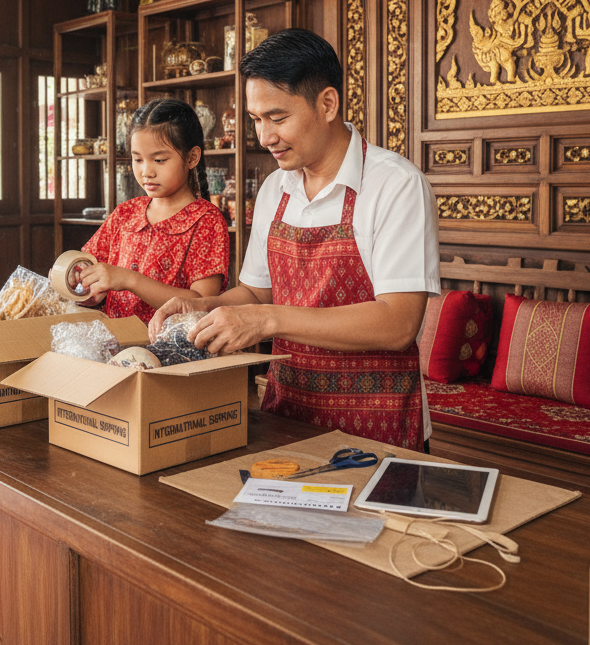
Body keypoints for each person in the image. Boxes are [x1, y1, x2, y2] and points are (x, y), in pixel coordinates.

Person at [149, 29, 440, 450]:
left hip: (378, 426)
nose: (264, 137)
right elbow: (254, 292)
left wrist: (269, 319)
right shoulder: (275, 189)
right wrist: (202, 306)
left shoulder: (395, 185)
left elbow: (398, 323)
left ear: (327, 103)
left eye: (277, 118)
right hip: (289, 418)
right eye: (255, 120)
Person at [78, 98, 230, 324]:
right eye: (137, 159)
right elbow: (91, 271)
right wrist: (82, 285)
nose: (146, 171)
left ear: (192, 158)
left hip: (174, 353)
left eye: (159, 160)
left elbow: (202, 303)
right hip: (116, 347)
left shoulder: (206, 220)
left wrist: (130, 280)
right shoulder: (126, 213)